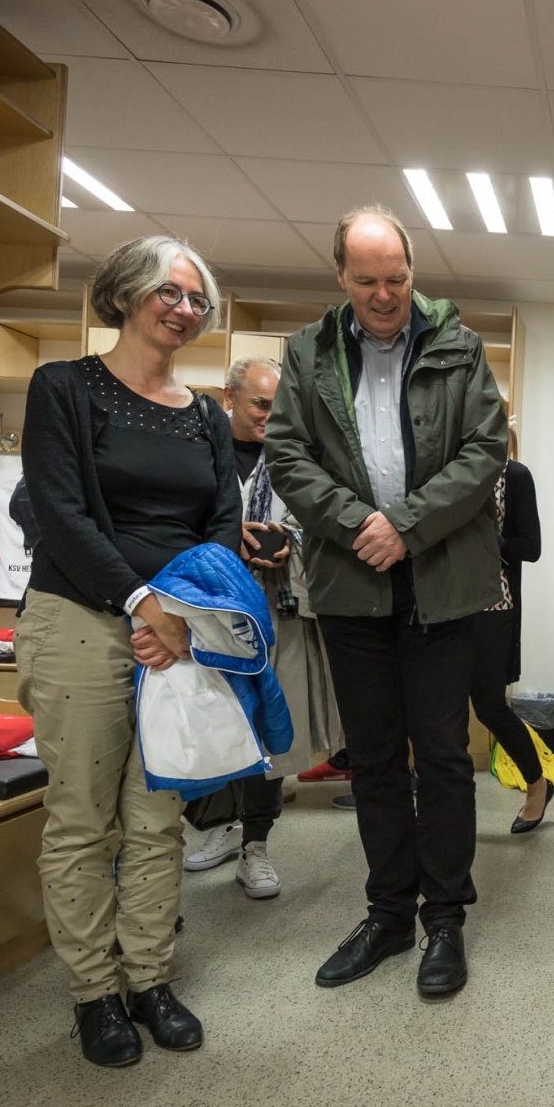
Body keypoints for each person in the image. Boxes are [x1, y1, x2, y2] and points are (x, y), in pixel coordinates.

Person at [265, 204, 508, 998]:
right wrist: (358, 524)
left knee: (441, 755)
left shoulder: (459, 345)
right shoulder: (307, 351)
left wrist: (404, 525)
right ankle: (390, 913)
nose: (383, 294)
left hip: (440, 578)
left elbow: (485, 451)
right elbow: (288, 456)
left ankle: (446, 918)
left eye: (396, 278)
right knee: (371, 757)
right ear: (340, 275)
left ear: (413, 272)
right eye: (366, 280)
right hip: (351, 580)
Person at [16, 234, 239, 1067]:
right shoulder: (64, 388)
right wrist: (142, 602)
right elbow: (60, 513)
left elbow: (221, 522)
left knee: (156, 819)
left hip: (176, 633)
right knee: (83, 819)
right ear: (124, 293)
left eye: (196, 299)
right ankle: (93, 994)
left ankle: (149, 978)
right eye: (168, 292)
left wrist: (183, 612)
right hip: (80, 618)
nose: (184, 309)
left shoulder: (206, 416)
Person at [184, 356, 343, 897]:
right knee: (213, 722)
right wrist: (227, 536)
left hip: (280, 608)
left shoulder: (298, 457)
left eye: (281, 407)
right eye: (260, 404)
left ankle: (256, 844)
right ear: (229, 398)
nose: (271, 418)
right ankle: (222, 825)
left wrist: (287, 540)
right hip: (207, 608)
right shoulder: (200, 453)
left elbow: (324, 523)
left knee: (269, 731)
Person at [470, 437, 549, 833]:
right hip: (444, 607)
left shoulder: (514, 475)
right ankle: (452, 807)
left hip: (493, 607)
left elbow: (531, 547)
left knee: (489, 707)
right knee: (442, 711)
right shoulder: (449, 472)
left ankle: (537, 784)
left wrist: (493, 541)